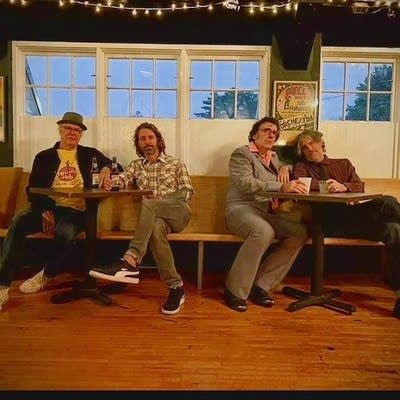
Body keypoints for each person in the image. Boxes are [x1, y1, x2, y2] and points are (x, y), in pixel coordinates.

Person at [0, 111, 118, 311]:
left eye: (77, 130)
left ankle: (46, 274)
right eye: (68, 129)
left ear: (81, 135)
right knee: (18, 221)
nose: (72, 133)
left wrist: (106, 168)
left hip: (78, 210)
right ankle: (2, 286)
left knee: (64, 232)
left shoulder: (90, 153)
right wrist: (43, 209)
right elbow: (33, 188)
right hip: (49, 207)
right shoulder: (44, 157)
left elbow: (115, 165)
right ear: (60, 130)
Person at [293, 129, 400, 319]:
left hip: (353, 216)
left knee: (392, 222)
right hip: (327, 220)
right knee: (392, 222)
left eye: (311, 143)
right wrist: (326, 185)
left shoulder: (343, 163)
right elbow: (301, 184)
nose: (308, 148)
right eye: (304, 147)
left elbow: (359, 186)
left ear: (321, 143)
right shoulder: (301, 167)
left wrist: (345, 186)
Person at [89, 122, 193, 315]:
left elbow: (187, 192)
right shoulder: (136, 166)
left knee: (150, 203)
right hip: (156, 218)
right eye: (142, 139)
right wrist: (110, 181)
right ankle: (176, 287)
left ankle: (131, 259)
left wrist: (161, 200)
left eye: (150, 137)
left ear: (158, 140)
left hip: (178, 213)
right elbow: (122, 179)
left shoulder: (176, 163)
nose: (147, 142)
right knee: (154, 227)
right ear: (138, 144)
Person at [224, 116, 309, 312]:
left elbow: (291, 160)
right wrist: (281, 186)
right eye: (266, 130)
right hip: (240, 208)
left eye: (274, 132)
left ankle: (260, 284)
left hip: (266, 212)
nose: (271, 134)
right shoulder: (242, 154)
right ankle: (234, 289)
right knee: (263, 232)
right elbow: (245, 183)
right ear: (255, 134)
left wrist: (286, 168)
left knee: (299, 233)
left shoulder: (275, 158)